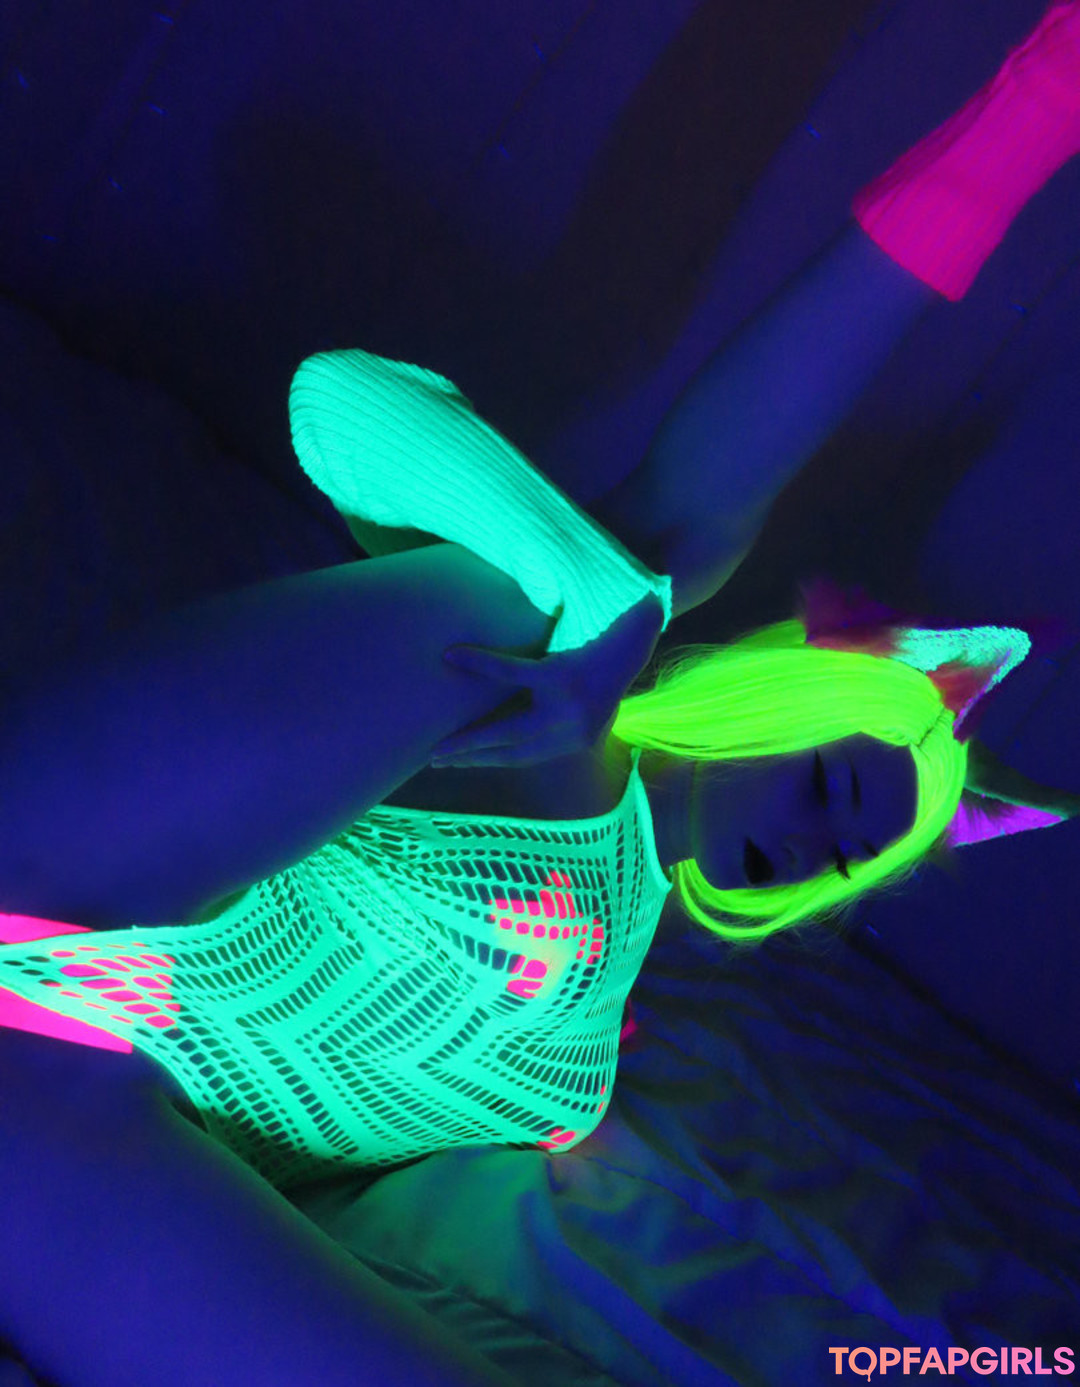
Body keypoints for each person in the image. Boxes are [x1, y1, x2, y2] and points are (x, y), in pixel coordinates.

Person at [1, 4, 1079, 1383]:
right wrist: (1034, 112)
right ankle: (1051, 90)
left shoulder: (597, 1022)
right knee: (598, 574)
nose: (818, 841)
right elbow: (405, 428)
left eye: (849, 853)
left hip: (82, 1110)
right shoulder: (550, 711)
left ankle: (595, 585)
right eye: (830, 779)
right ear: (778, 705)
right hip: (76, 879)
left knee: (596, 585)